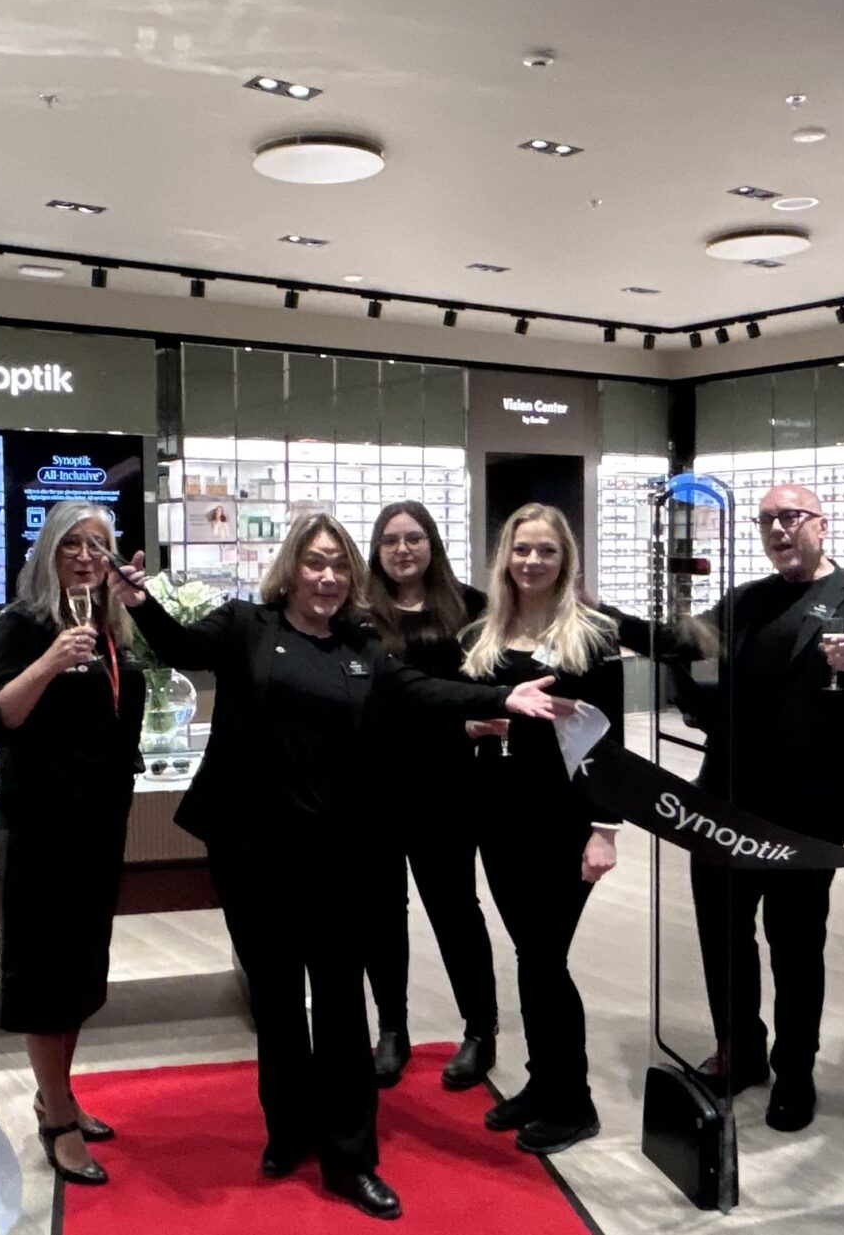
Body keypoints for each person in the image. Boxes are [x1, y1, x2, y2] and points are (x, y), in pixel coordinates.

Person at [105, 515, 564, 1222]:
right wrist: (139, 602)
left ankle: (351, 1157)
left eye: (340, 566)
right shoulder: (246, 625)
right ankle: (289, 1132)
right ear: (291, 568)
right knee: (277, 1001)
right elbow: (180, 646)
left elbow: (420, 690)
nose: (328, 577)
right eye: (316, 563)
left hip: (336, 856)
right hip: (252, 852)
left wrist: (500, 697)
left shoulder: (361, 646)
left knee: (343, 1005)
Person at [673, 482, 844, 1134]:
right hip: (725, 802)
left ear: (822, 524)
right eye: (767, 519)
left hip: (807, 810)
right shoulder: (744, 601)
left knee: (796, 946)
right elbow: (683, 648)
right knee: (723, 936)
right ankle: (739, 1051)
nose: (778, 528)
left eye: (791, 516)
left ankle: (795, 1069)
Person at [0, 502, 148, 1189]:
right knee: (43, 977)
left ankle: (57, 1095)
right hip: (40, 826)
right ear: (47, 551)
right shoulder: (26, 624)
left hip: (98, 824)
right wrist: (48, 662)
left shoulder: (112, 628)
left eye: (98, 544)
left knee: (80, 973)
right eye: (71, 543)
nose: (85, 555)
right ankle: (58, 1120)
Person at [460, 504, 625, 1156]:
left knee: (544, 957)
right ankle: (542, 1081)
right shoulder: (483, 634)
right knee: (530, 955)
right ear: (506, 556)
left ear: (565, 560)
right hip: (498, 818)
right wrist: (471, 723)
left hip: (566, 821)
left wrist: (605, 829)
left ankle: (574, 1101)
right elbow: (462, 710)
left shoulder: (595, 636)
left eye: (546, 551)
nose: (532, 561)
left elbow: (609, 740)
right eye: (522, 549)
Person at [361, 499, 499, 1093]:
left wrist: (474, 721)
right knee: (380, 913)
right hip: (374, 784)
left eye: (414, 537)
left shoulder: (470, 606)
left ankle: (481, 1031)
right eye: (390, 540)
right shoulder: (359, 613)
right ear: (376, 550)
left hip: (447, 785)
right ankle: (392, 1030)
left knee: (455, 910)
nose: (403, 549)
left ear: (432, 543)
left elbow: (490, 686)